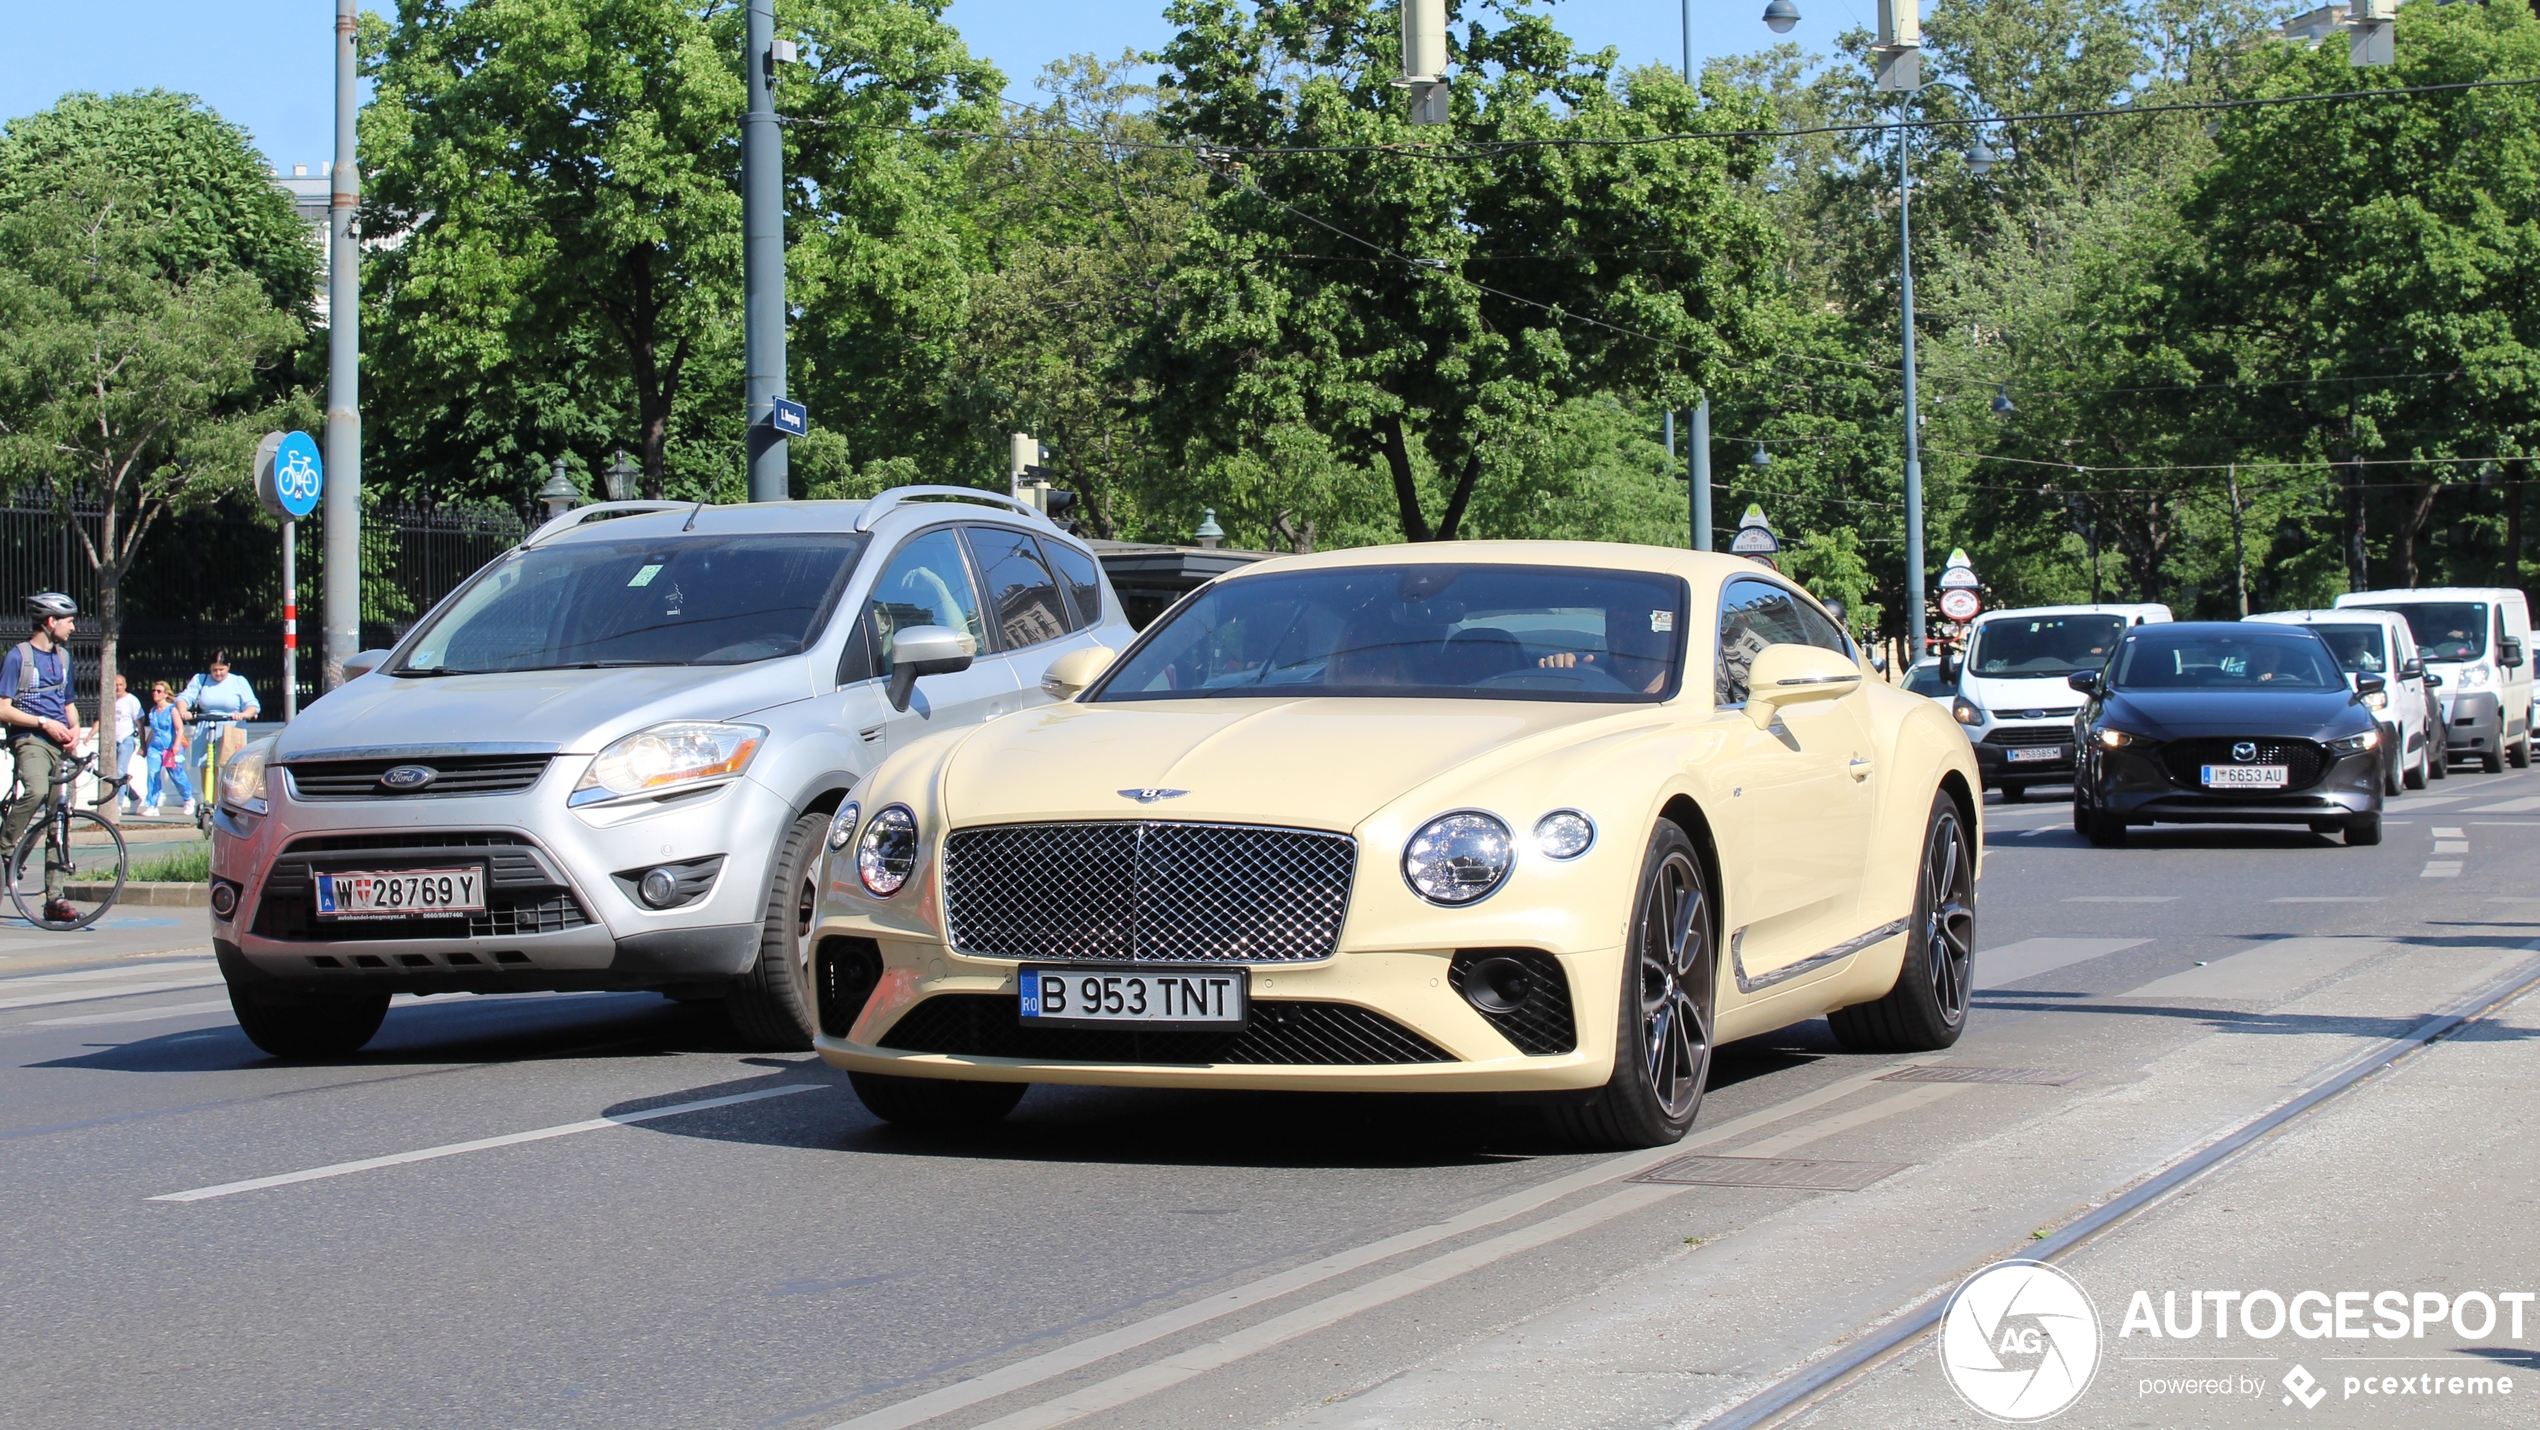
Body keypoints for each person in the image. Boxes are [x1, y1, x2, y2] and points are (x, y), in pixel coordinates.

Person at [0, 593, 86, 924]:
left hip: (60, 743)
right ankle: (7, 847)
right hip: (31, 739)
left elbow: (68, 704)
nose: (73, 627)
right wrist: (41, 722)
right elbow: (3, 708)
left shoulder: (64, 658)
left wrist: (75, 729)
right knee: (35, 790)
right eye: (68, 620)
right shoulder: (17, 657)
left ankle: (55, 898)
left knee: (60, 818)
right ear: (51, 622)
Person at [176, 650, 259, 804]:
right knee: (207, 767)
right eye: (214, 670)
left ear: (228, 666)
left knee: (233, 768)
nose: (218, 673)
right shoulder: (200, 680)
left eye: (221, 669)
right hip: (207, 727)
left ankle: (233, 803)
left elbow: (252, 705)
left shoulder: (238, 681)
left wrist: (244, 714)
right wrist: (183, 710)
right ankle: (211, 804)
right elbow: (184, 697)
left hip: (231, 726)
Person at [144, 681, 190, 816]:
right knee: (153, 774)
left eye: (159, 691)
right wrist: (145, 746)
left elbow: (179, 728)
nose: (155, 693)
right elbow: (153, 730)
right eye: (154, 690)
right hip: (155, 747)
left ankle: (188, 798)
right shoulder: (153, 711)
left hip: (170, 747)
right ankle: (152, 805)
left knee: (176, 775)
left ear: (165, 694)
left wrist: (176, 745)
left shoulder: (172, 709)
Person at [110, 673, 141, 815]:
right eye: (115, 685)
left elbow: (139, 722)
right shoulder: (110, 700)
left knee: (119, 772)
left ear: (125, 685)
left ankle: (118, 804)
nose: (118, 687)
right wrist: (90, 735)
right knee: (114, 774)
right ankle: (134, 797)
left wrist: (142, 744)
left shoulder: (131, 700)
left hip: (126, 739)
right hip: (112, 741)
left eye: (120, 684)